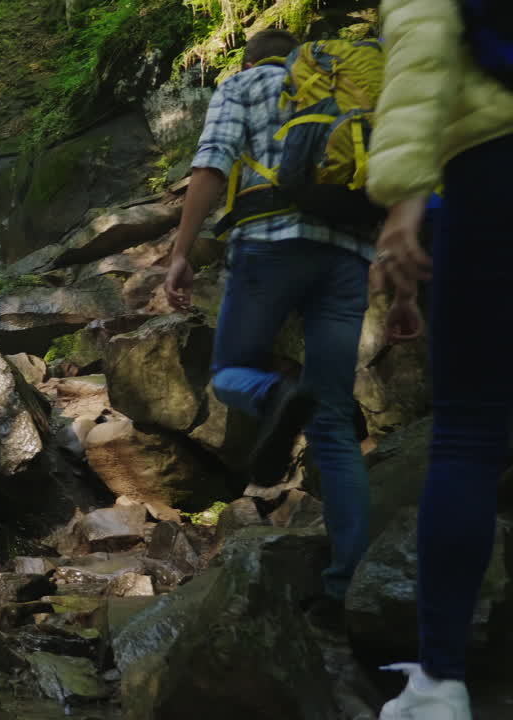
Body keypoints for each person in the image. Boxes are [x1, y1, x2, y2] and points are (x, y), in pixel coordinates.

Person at [164, 28, 374, 626]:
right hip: (348, 255)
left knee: (230, 374)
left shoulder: (243, 85)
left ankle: (277, 393)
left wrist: (180, 252)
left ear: (250, 59)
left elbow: (212, 165)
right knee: (332, 422)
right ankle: (348, 592)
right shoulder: (345, 86)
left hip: (269, 244)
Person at [367, 0, 513, 717]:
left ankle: (439, 685)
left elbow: (423, 50)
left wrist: (405, 200)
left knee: (469, 433)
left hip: (493, 169)